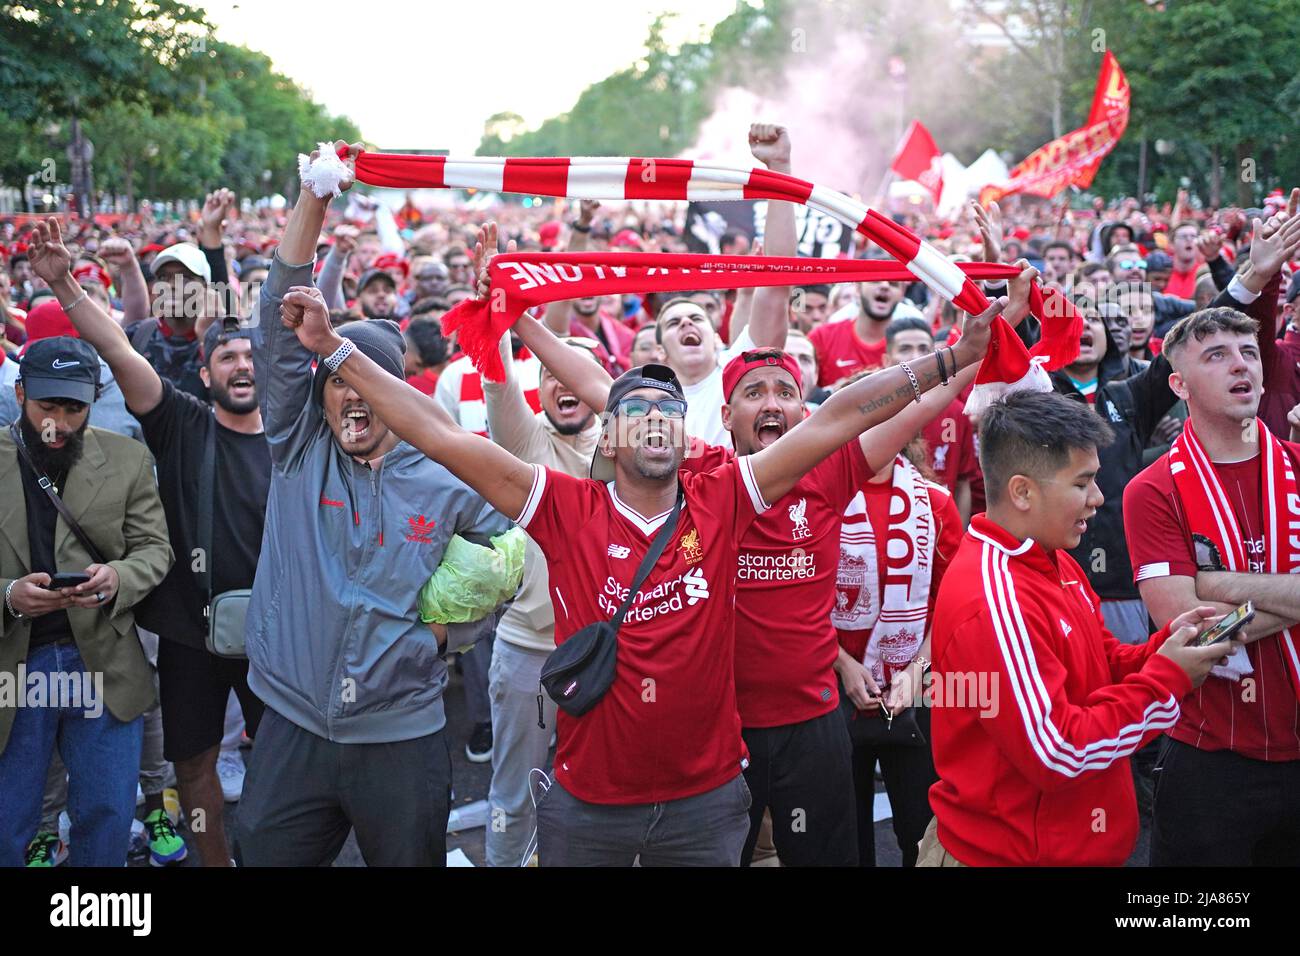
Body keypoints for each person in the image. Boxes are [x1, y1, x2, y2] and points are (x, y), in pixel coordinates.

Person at [276, 229, 1000, 865]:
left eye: (667, 410)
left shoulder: (724, 497)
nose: (652, 419)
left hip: (710, 798)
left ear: (688, 438)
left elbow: (836, 416)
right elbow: (439, 433)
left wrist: (953, 357)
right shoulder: (563, 507)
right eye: (634, 411)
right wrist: (335, 348)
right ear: (610, 436)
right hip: (589, 803)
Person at [235, 143, 510, 867]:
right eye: (334, 381)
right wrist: (315, 198)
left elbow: (514, 545)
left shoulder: (452, 468)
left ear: (402, 395)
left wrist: (451, 636)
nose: (350, 395)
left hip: (402, 733)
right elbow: (275, 316)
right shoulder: (300, 446)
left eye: (367, 381)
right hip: (291, 724)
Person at [25, 217, 270, 867]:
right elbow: (120, 351)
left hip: (275, 630)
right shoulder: (180, 423)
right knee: (192, 773)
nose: (241, 365)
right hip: (189, 633)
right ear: (205, 369)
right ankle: (212, 860)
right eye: (226, 356)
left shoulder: (299, 433)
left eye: (251, 356)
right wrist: (67, 286)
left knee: (283, 770)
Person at [920, 390, 1231, 867]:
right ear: (1022, 491)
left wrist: (1162, 649)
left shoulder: (1051, 557)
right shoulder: (995, 599)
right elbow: (1058, 752)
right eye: (1082, 483)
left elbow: (1099, 662)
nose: (1098, 499)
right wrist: (1168, 678)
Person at [1124, 307, 1300, 866]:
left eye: (1248, 352)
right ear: (1178, 384)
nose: (1239, 364)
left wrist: (1218, 584)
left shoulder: (1297, 464)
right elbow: (1189, 628)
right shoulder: (1150, 490)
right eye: (1216, 355)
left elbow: (1208, 605)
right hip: (1210, 758)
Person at [0, 336, 173, 867]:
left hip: (101, 661)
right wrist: (9, 598)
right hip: (14, 665)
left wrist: (117, 577)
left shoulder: (126, 458)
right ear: (20, 392)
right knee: (9, 817)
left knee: (106, 814)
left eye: (73, 408)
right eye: (46, 406)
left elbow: (154, 548)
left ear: (93, 401)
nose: (59, 421)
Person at [481, 330, 603, 867]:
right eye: (551, 373)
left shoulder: (635, 444)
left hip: (615, 653)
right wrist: (496, 320)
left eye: (577, 370)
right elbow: (498, 382)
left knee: (615, 790)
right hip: (530, 652)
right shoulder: (528, 444)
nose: (563, 381)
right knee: (517, 793)